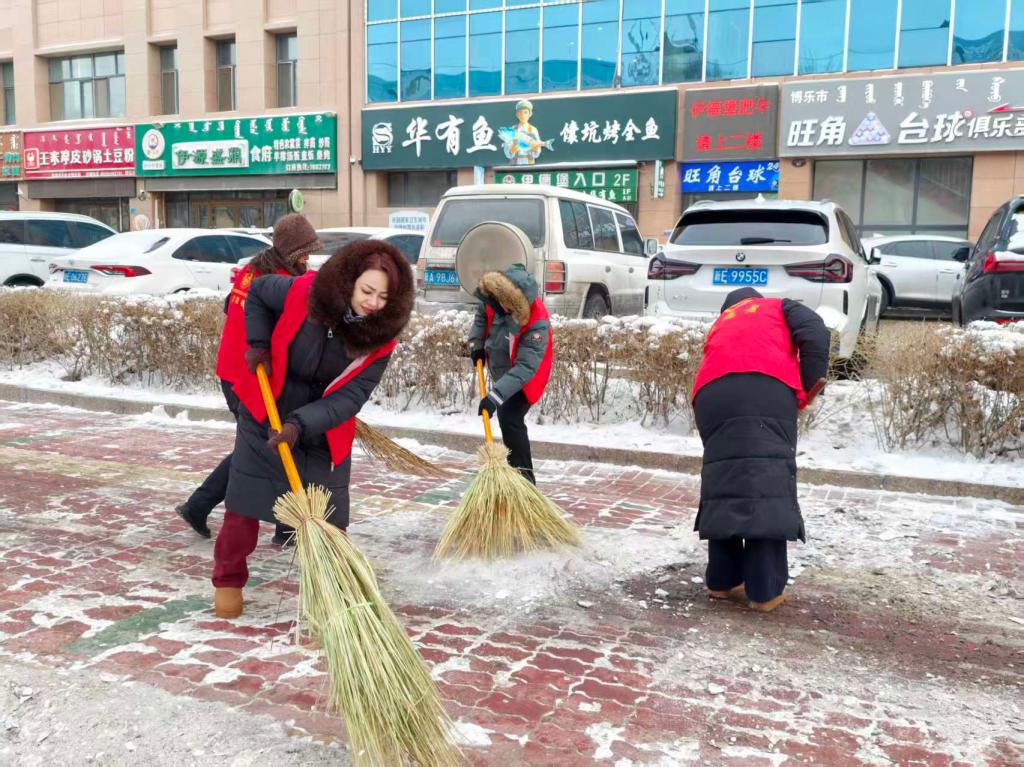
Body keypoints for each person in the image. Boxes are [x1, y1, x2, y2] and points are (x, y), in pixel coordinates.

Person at [211, 239, 414, 618]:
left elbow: (350, 397)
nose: (373, 302)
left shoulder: (380, 342)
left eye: (383, 297)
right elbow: (258, 292)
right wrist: (258, 344)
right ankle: (228, 582)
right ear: (350, 282)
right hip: (266, 413)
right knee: (243, 508)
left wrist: (300, 425)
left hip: (322, 431)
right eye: (367, 291)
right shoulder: (305, 291)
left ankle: (335, 594)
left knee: (330, 520)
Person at [176, 214, 320, 547]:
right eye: (303, 252)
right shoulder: (279, 282)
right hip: (251, 379)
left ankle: (199, 506)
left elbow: (230, 307)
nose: (307, 258)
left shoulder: (252, 270)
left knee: (258, 445)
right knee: (271, 445)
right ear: (289, 251)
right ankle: (285, 527)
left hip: (233, 371)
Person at [691, 287, 829, 612]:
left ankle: (722, 581)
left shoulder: (723, 321)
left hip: (709, 396)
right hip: (764, 387)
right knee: (766, 483)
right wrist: (809, 387)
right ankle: (765, 590)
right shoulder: (777, 306)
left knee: (725, 482)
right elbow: (815, 330)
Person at [469, 264, 552, 485]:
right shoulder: (497, 299)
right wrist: (477, 344)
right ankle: (517, 476)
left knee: (510, 417)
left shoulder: (536, 322)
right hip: (503, 370)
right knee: (506, 416)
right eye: (501, 301)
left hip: (527, 376)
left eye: (508, 304)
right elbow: (482, 314)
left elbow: (525, 367)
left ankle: (525, 481)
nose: (502, 306)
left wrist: (494, 397)